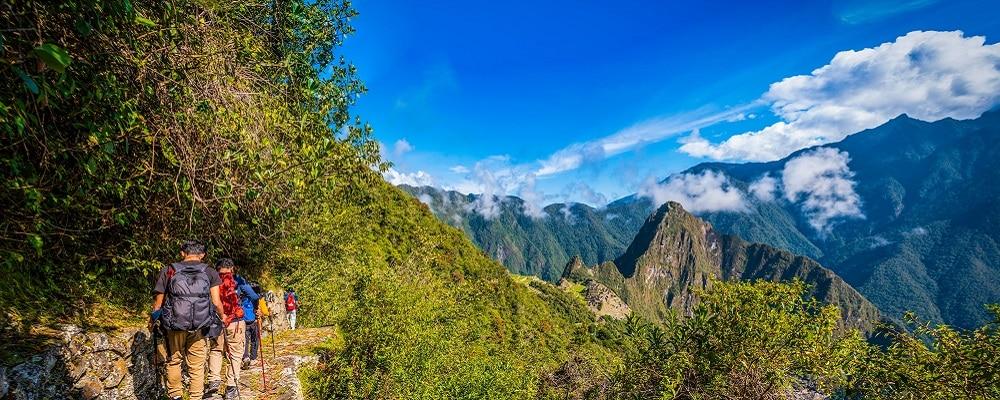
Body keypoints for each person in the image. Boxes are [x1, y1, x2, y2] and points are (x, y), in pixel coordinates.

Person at [149, 241, 226, 400]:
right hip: (200, 325)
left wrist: (152, 322)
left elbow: (158, 304)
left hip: (174, 324)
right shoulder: (210, 272)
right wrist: (222, 317)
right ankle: (196, 397)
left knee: (174, 361)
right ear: (202, 255)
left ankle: (176, 395)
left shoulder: (169, 270)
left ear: (182, 253)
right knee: (196, 366)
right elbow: (217, 302)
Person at [206, 258, 253, 400]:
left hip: (216, 321)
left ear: (217, 269)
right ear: (232, 268)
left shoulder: (211, 279)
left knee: (216, 350)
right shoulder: (238, 280)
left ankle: (214, 380)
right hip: (235, 322)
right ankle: (231, 387)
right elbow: (254, 295)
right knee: (236, 353)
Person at [240, 278, 261, 370]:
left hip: (244, 321)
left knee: (245, 340)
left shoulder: (242, 298)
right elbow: (257, 310)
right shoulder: (256, 298)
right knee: (255, 339)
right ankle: (253, 357)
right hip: (254, 321)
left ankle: (245, 357)